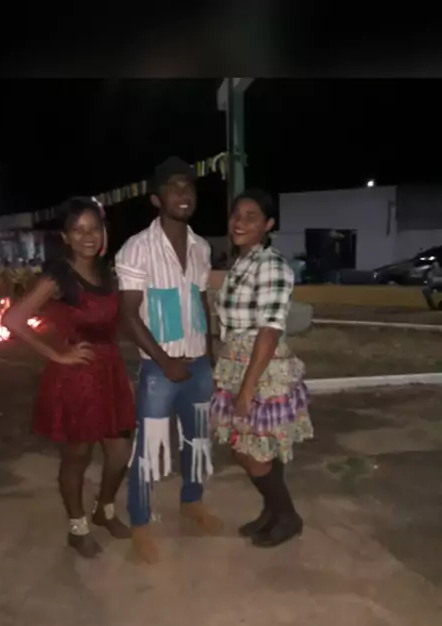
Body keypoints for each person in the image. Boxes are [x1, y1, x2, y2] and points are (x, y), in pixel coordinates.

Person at [3, 197, 136, 559]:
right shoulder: (59, 275)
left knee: (119, 453)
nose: (87, 236)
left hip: (109, 371)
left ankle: (104, 509)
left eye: (94, 228)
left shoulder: (106, 272)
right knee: (78, 456)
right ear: (66, 237)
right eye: (78, 230)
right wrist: (57, 354)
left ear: (104, 232)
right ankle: (78, 528)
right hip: (77, 377)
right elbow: (13, 319)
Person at [116, 156, 222, 564]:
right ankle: (141, 522)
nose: (183, 193)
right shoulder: (136, 248)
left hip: (198, 365)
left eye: (188, 186)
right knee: (149, 447)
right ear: (156, 199)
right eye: (173, 187)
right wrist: (165, 361)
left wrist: (208, 355)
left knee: (197, 440)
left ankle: (192, 501)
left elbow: (200, 302)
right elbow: (128, 315)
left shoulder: (201, 248)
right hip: (159, 370)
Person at [210, 189, 313, 548]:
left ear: (268, 225)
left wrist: (248, 388)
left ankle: (288, 515)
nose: (239, 222)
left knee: (249, 451)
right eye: (236, 214)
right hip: (236, 362)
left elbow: (270, 328)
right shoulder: (242, 262)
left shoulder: (271, 265)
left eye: (251, 216)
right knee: (260, 448)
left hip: (260, 367)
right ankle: (272, 513)